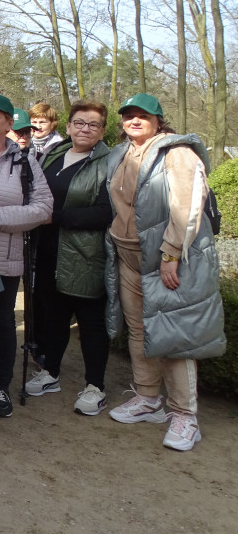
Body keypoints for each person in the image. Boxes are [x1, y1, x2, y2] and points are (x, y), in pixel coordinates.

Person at [104, 93, 224, 451]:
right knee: (140, 330)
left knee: (174, 336)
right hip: (127, 256)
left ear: (158, 121)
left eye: (143, 116)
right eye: (128, 116)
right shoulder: (120, 153)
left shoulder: (176, 153)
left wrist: (171, 253)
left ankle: (185, 416)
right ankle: (147, 398)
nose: (134, 121)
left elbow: (187, 206)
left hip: (164, 260)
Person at [25, 101, 112, 415]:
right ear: (70, 125)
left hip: (84, 255)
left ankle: (95, 386)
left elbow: (105, 212)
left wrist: (55, 217)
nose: (84, 129)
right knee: (53, 317)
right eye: (79, 122)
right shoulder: (56, 153)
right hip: (48, 250)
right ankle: (51, 372)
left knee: (90, 322)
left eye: (92, 124)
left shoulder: (108, 162)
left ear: (102, 130)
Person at [0, 93, 52, 419]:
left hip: (6, 256)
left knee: (3, 324)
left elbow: (44, 208)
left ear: (8, 123)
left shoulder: (24, 162)